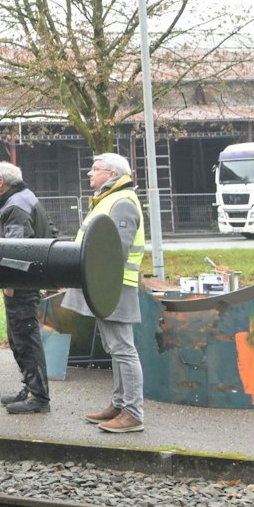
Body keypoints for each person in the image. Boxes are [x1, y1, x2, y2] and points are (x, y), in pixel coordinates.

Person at [79, 153, 148, 434]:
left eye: (95, 169)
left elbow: (115, 250)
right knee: (116, 348)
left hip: (113, 286)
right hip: (107, 285)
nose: (89, 174)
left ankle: (132, 412)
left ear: (112, 174)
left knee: (122, 348)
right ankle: (120, 404)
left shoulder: (120, 202)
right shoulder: (111, 199)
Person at [0, 161, 53, 414]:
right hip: (27, 282)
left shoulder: (15, 205)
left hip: (21, 285)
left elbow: (16, 249)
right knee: (19, 338)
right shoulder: (23, 198)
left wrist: (10, 284)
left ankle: (38, 396)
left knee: (25, 338)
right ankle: (30, 387)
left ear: (1, 181)